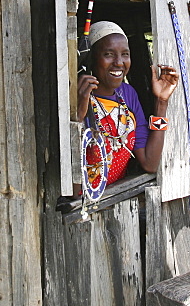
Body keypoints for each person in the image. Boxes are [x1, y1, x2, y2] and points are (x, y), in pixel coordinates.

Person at [76, 21, 178, 193]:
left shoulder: (128, 94)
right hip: (82, 205)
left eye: (125, 54)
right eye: (108, 54)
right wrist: (78, 114)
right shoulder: (77, 95)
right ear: (92, 58)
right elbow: (71, 187)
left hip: (117, 201)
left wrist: (161, 102)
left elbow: (149, 162)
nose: (119, 62)